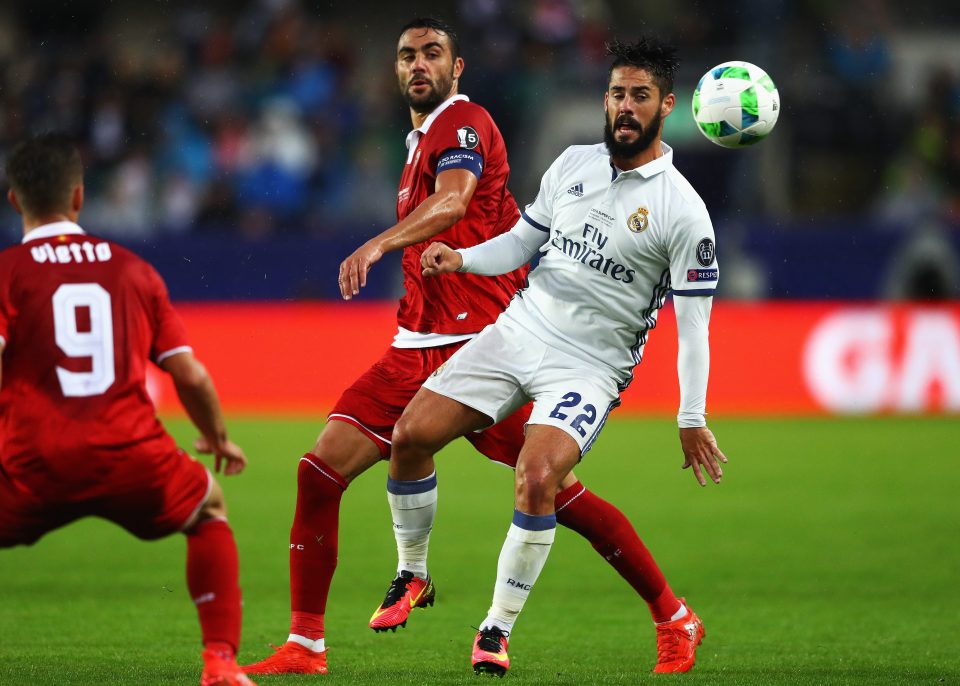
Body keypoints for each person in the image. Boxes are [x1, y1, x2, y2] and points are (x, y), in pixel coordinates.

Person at [243, 18, 694, 676]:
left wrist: (378, 243)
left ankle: (671, 613)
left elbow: (453, 204)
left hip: (480, 342)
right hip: (414, 345)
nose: (418, 64)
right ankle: (308, 643)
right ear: (395, 71)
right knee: (319, 471)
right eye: (407, 55)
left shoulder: (461, 123)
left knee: (553, 491)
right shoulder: (418, 138)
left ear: (457, 70)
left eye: (433, 54)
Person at [386, 37, 729, 677]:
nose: (626, 108)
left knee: (539, 478)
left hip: (590, 367)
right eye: (618, 94)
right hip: (520, 328)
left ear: (667, 107)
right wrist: (463, 258)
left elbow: (694, 328)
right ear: (605, 99)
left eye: (641, 97)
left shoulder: (685, 213)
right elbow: (520, 241)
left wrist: (691, 415)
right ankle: (412, 575)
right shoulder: (573, 162)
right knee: (410, 436)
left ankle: (494, 630)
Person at [0, 134, 254, 686]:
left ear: (15, 201)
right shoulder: (131, 269)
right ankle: (221, 663)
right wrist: (217, 436)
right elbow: (187, 372)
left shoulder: (8, 272)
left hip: (33, 460)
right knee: (208, 508)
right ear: (80, 198)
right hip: (129, 455)